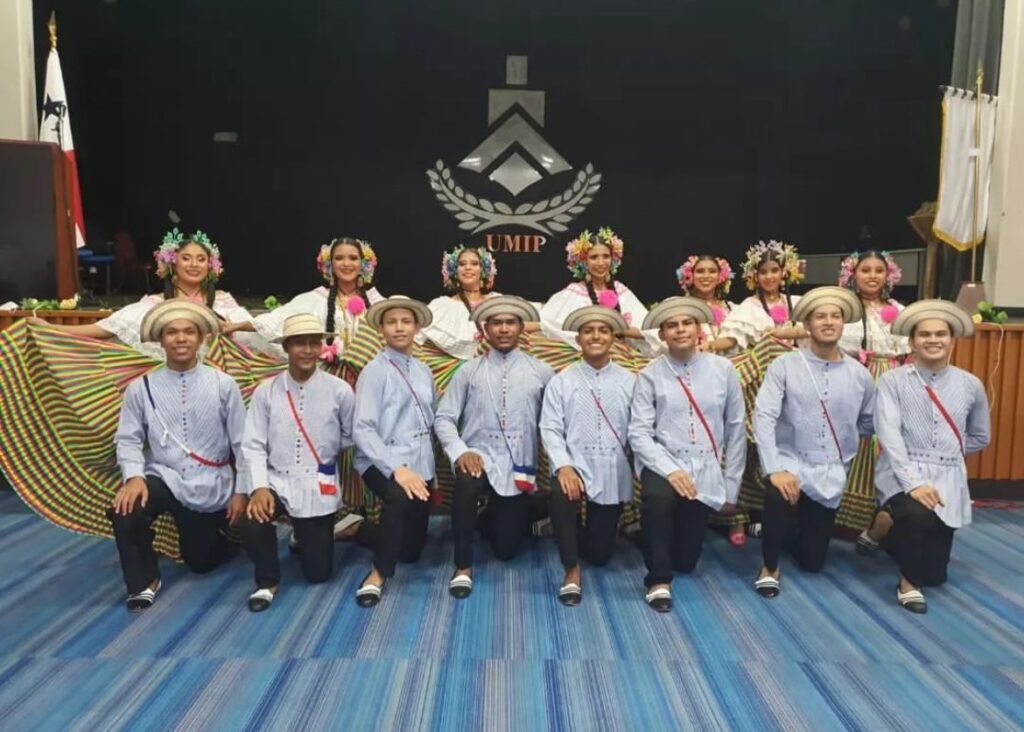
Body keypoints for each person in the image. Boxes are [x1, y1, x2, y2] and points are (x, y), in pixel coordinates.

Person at [108, 300, 247, 611]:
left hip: (212, 483)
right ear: (161, 340)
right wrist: (133, 477)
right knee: (126, 508)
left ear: (201, 339)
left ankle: (228, 537)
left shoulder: (224, 384)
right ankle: (144, 582)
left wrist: (242, 491)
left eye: (188, 332)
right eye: (171, 332)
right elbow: (128, 440)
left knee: (201, 562)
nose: (180, 338)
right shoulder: (140, 388)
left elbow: (242, 443)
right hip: (164, 476)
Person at [752, 286, 875, 598]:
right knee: (778, 493)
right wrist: (774, 468)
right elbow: (763, 416)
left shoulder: (860, 374)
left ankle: (788, 529)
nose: (829, 322)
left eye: (835, 316)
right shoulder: (784, 365)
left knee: (812, 562)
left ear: (844, 323)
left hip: (829, 469)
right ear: (807, 324)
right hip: (789, 460)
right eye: (820, 316)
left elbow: (868, 422)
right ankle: (769, 566)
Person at [629, 297, 746, 612]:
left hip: (705, 466)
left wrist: (731, 486)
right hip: (662, 461)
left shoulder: (723, 370)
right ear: (662, 334)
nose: (680, 330)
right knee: (658, 499)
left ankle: (653, 537)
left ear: (698, 329)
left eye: (686, 323)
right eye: (672, 325)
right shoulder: (650, 374)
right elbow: (638, 432)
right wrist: (670, 470)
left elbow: (736, 429)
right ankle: (658, 580)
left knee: (686, 561)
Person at [435, 296, 555, 599]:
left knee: (506, 551)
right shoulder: (468, 371)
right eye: (496, 323)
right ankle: (463, 566)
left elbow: (554, 424)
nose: (503, 329)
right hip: (478, 458)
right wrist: (461, 451)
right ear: (485, 329)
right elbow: (444, 417)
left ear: (521, 328)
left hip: (519, 466)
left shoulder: (541, 371)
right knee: (466, 484)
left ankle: (505, 513)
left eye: (510, 323)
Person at [873, 300, 990, 613]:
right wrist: (913, 483)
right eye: (924, 334)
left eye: (940, 334)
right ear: (912, 342)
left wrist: (945, 454)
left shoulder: (971, 384)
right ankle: (908, 584)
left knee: (935, 575)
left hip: (948, 475)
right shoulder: (892, 381)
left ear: (952, 340)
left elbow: (981, 436)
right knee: (917, 514)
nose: (933, 340)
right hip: (900, 471)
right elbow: (889, 435)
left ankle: (887, 529)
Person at [237, 313, 355, 612]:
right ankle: (267, 581)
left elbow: (351, 434)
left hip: (318, 482)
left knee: (318, 574)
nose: (307, 350)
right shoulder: (266, 391)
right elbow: (253, 443)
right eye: (299, 343)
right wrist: (259, 488)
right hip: (276, 479)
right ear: (286, 347)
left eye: (314, 343)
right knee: (254, 518)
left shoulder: (339, 390)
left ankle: (303, 536)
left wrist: (326, 452)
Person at [28, 228, 259, 359]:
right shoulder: (155, 304)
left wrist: (232, 328)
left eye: (201, 259)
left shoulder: (222, 301)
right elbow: (106, 328)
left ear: (210, 266)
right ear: (172, 264)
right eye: (186, 258)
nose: (193, 265)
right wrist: (52, 328)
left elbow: (256, 333)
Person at [539, 305, 635, 606]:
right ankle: (571, 569)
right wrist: (564, 466)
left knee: (600, 555)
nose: (596, 336)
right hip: (574, 466)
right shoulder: (562, 380)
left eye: (603, 331)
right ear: (578, 339)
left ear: (613, 338)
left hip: (612, 467)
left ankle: (559, 527)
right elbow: (550, 428)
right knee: (561, 493)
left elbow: (640, 430)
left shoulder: (630, 381)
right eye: (588, 331)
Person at [352, 296, 437, 607]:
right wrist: (396, 469)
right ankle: (378, 573)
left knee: (411, 552)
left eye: (405, 321)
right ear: (381, 330)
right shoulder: (374, 372)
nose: (399, 328)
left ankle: (360, 529)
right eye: (391, 322)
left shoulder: (424, 370)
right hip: (380, 460)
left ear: (416, 328)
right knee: (398, 496)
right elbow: (362, 429)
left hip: (420, 462)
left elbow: (433, 416)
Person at [829, 250, 910, 540]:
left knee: (890, 443)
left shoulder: (897, 309)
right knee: (859, 441)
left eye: (879, 270)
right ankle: (849, 518)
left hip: (893, 379)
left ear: (888, 275)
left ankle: (886, 514)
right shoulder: (845, 309)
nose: (873, 276)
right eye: (866, 270)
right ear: (853, 275)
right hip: (858, 379)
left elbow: (907, 350)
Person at [232, 237, 385, 364]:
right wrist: (234, 326)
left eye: (353, 258)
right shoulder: (313, 299)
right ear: (330, 264)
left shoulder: (377, 302)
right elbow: (275, 320)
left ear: (363, 264)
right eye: (339, 258)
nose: (346, 264)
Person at [539, 227, 661, 355]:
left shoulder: (622, 292)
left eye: (606, 256)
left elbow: (651, 332)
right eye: (594, 257)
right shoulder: (571, 295)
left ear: (613, 258)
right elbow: (545, 325)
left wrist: (620, 330)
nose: (601, 262)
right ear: (583, 261)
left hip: (622, 361)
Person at [417, 244, 501, 361]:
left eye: (474, 264)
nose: (468, 267)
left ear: (483, 270)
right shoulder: (441, 306)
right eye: (462, 264)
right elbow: (416, 341)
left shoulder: (497, 301)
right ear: (454, 270)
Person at [675, 255, 738, 356]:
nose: (706, 276)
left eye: (712, 271)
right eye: (700, 271)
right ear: (690, 276)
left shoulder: (732, 309)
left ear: (720, 276)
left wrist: (711, 345)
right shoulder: (680, 308)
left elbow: (735, 339)